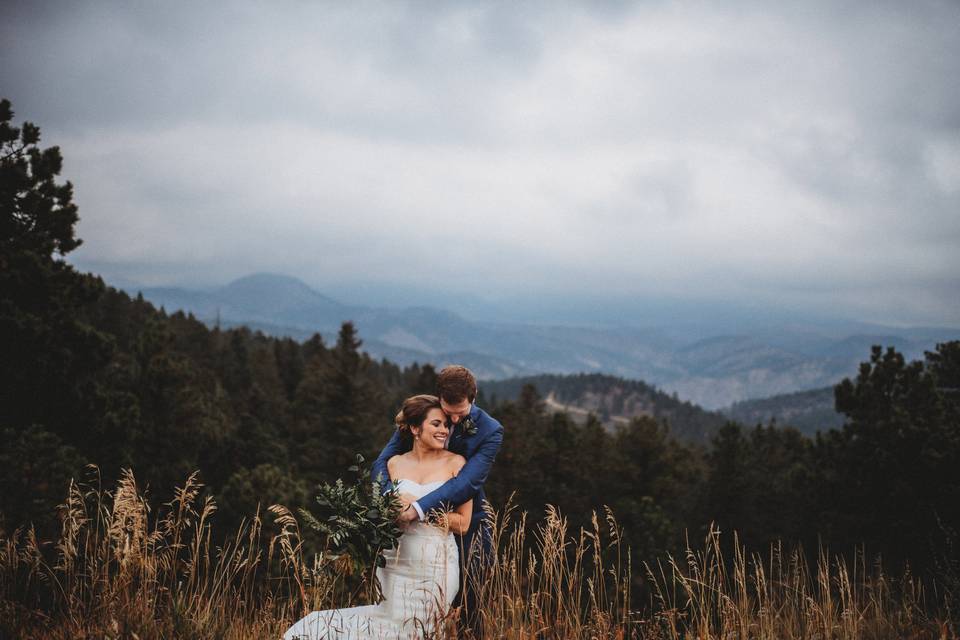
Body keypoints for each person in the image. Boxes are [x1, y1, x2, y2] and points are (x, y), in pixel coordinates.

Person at [283, 395, 471, 639]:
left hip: (437, 566)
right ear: (415, 428)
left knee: (423, 630)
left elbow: (463, 524)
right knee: (389, 624)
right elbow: (382, 514)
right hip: (395, 563)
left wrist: (420, 509)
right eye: (436, 424)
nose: (444, 430)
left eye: (447, 425)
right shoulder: (394, 465)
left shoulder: (457, 463)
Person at [371, 365, 504, 627]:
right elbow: (382, 462)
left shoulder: (490, 431)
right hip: (409, 545)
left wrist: (417, 508)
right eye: (447, 413)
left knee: (468, 613)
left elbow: (465, 484)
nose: (452, 422)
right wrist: (390, 496)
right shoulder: (422, 416)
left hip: (467, 532)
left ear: (473, 397)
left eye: (459, 414)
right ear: (439, 397)